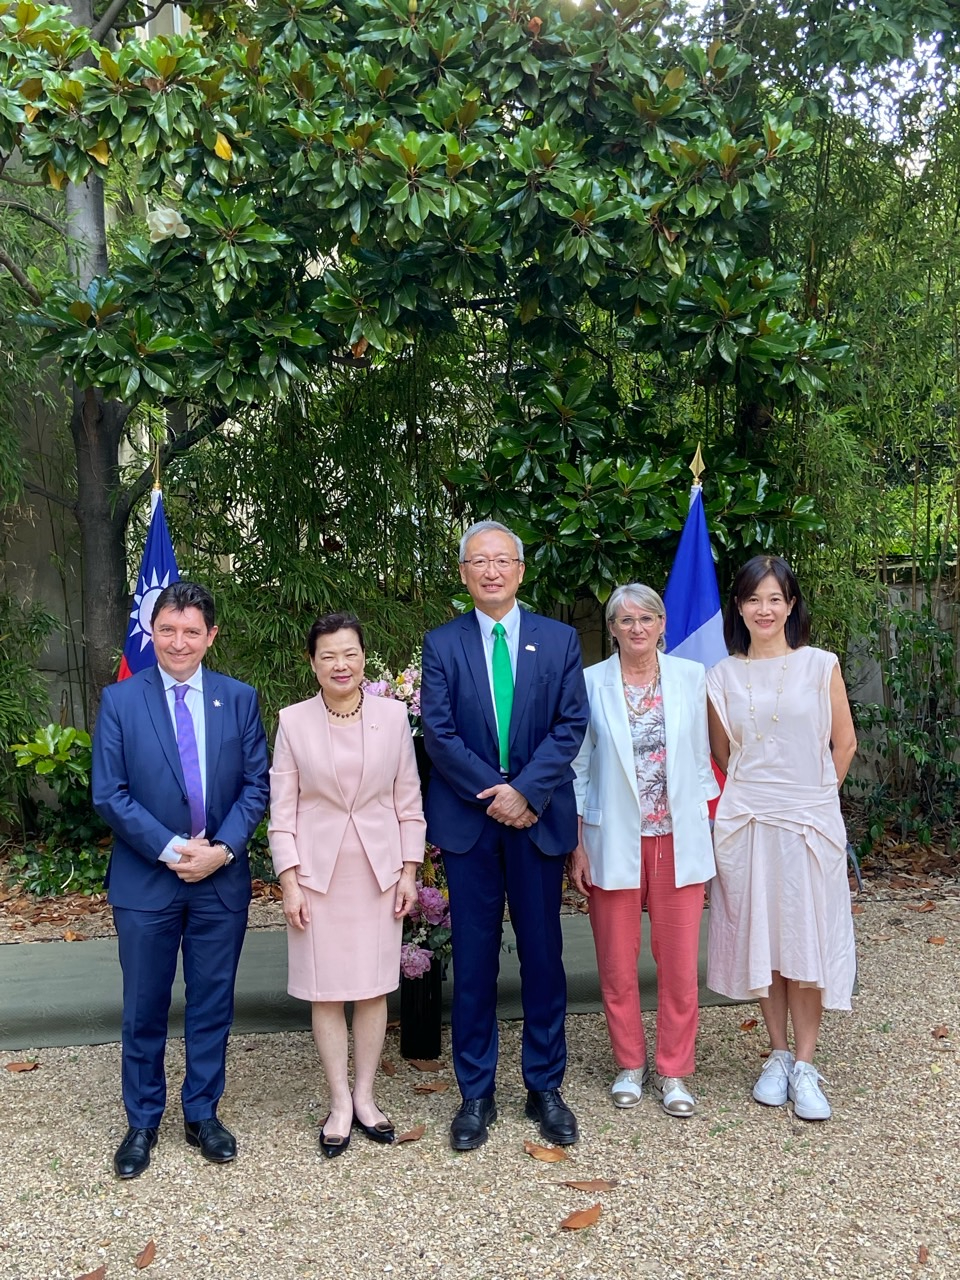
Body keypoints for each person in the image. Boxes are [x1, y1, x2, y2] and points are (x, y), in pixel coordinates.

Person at [92, 581, 269, 1179]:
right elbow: (109, 793)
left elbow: (257, 785)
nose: (178, 642)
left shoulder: (238, 698)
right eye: (167, 629)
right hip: (147, 880)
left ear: (210, 636)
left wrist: (222, 850)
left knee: (212, 1003)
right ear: (152, 632)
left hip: (220, 878)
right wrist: (172, 849)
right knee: (144, 1006)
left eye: (191, 631)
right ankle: (142, 1121)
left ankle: (201, 1113)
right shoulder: (121, 700)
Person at [421, 520, 589, 1151]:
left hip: (537, 819)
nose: (491, 571)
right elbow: (438, 733)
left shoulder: (559, 639)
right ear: (464, 573)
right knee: (474, 959)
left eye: (502, 560)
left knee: (544, 957)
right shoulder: (442, 644)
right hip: (471, 824)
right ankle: (476, 1091)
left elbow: (571, 724)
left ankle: (545, 1086)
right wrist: (496, 793)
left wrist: (526, 792)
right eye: (478, 561)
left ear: (520, 570)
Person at [706, 555, 857, 1121]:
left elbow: (844, 743)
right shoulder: (721, 676)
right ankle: (777, 1053)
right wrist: (763, 794)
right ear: (739, 607)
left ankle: (807, 1064)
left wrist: (814, 797)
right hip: (748, 821)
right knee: (764, 937)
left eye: (775, 598)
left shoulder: (820, 665)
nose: (764, 609)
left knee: (806, 937)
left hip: (809, 821)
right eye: (753, 599)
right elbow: (723, 754)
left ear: (791, 605)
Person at [268, 613, 425, 1158]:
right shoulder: (293, 722)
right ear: (312, 663)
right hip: (317, 876)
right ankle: (338, 1102)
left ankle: (365, 1097)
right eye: (329, 655)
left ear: (363, 658)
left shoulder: (393, 716)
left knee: (372, 986)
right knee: (326, 988)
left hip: (380, 872)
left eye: (350, 653)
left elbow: (409, 800)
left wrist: (409, 871)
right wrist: (289, 881)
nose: (341, 664)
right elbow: (281, 812)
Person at [567, 584, 719, 1117]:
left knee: (678, 966)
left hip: (678, 838)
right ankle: (629, 1063)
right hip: (613, 839)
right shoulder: (590, 683)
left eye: (647, 617)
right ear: (611, 628)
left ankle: (674, 1070)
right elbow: (578, 769)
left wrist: (710, 829)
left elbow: (701, 761)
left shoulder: (690, 677)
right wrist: (578, 844)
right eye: (625, 619)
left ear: (662, 624)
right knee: (616, 963)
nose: (637, 627)